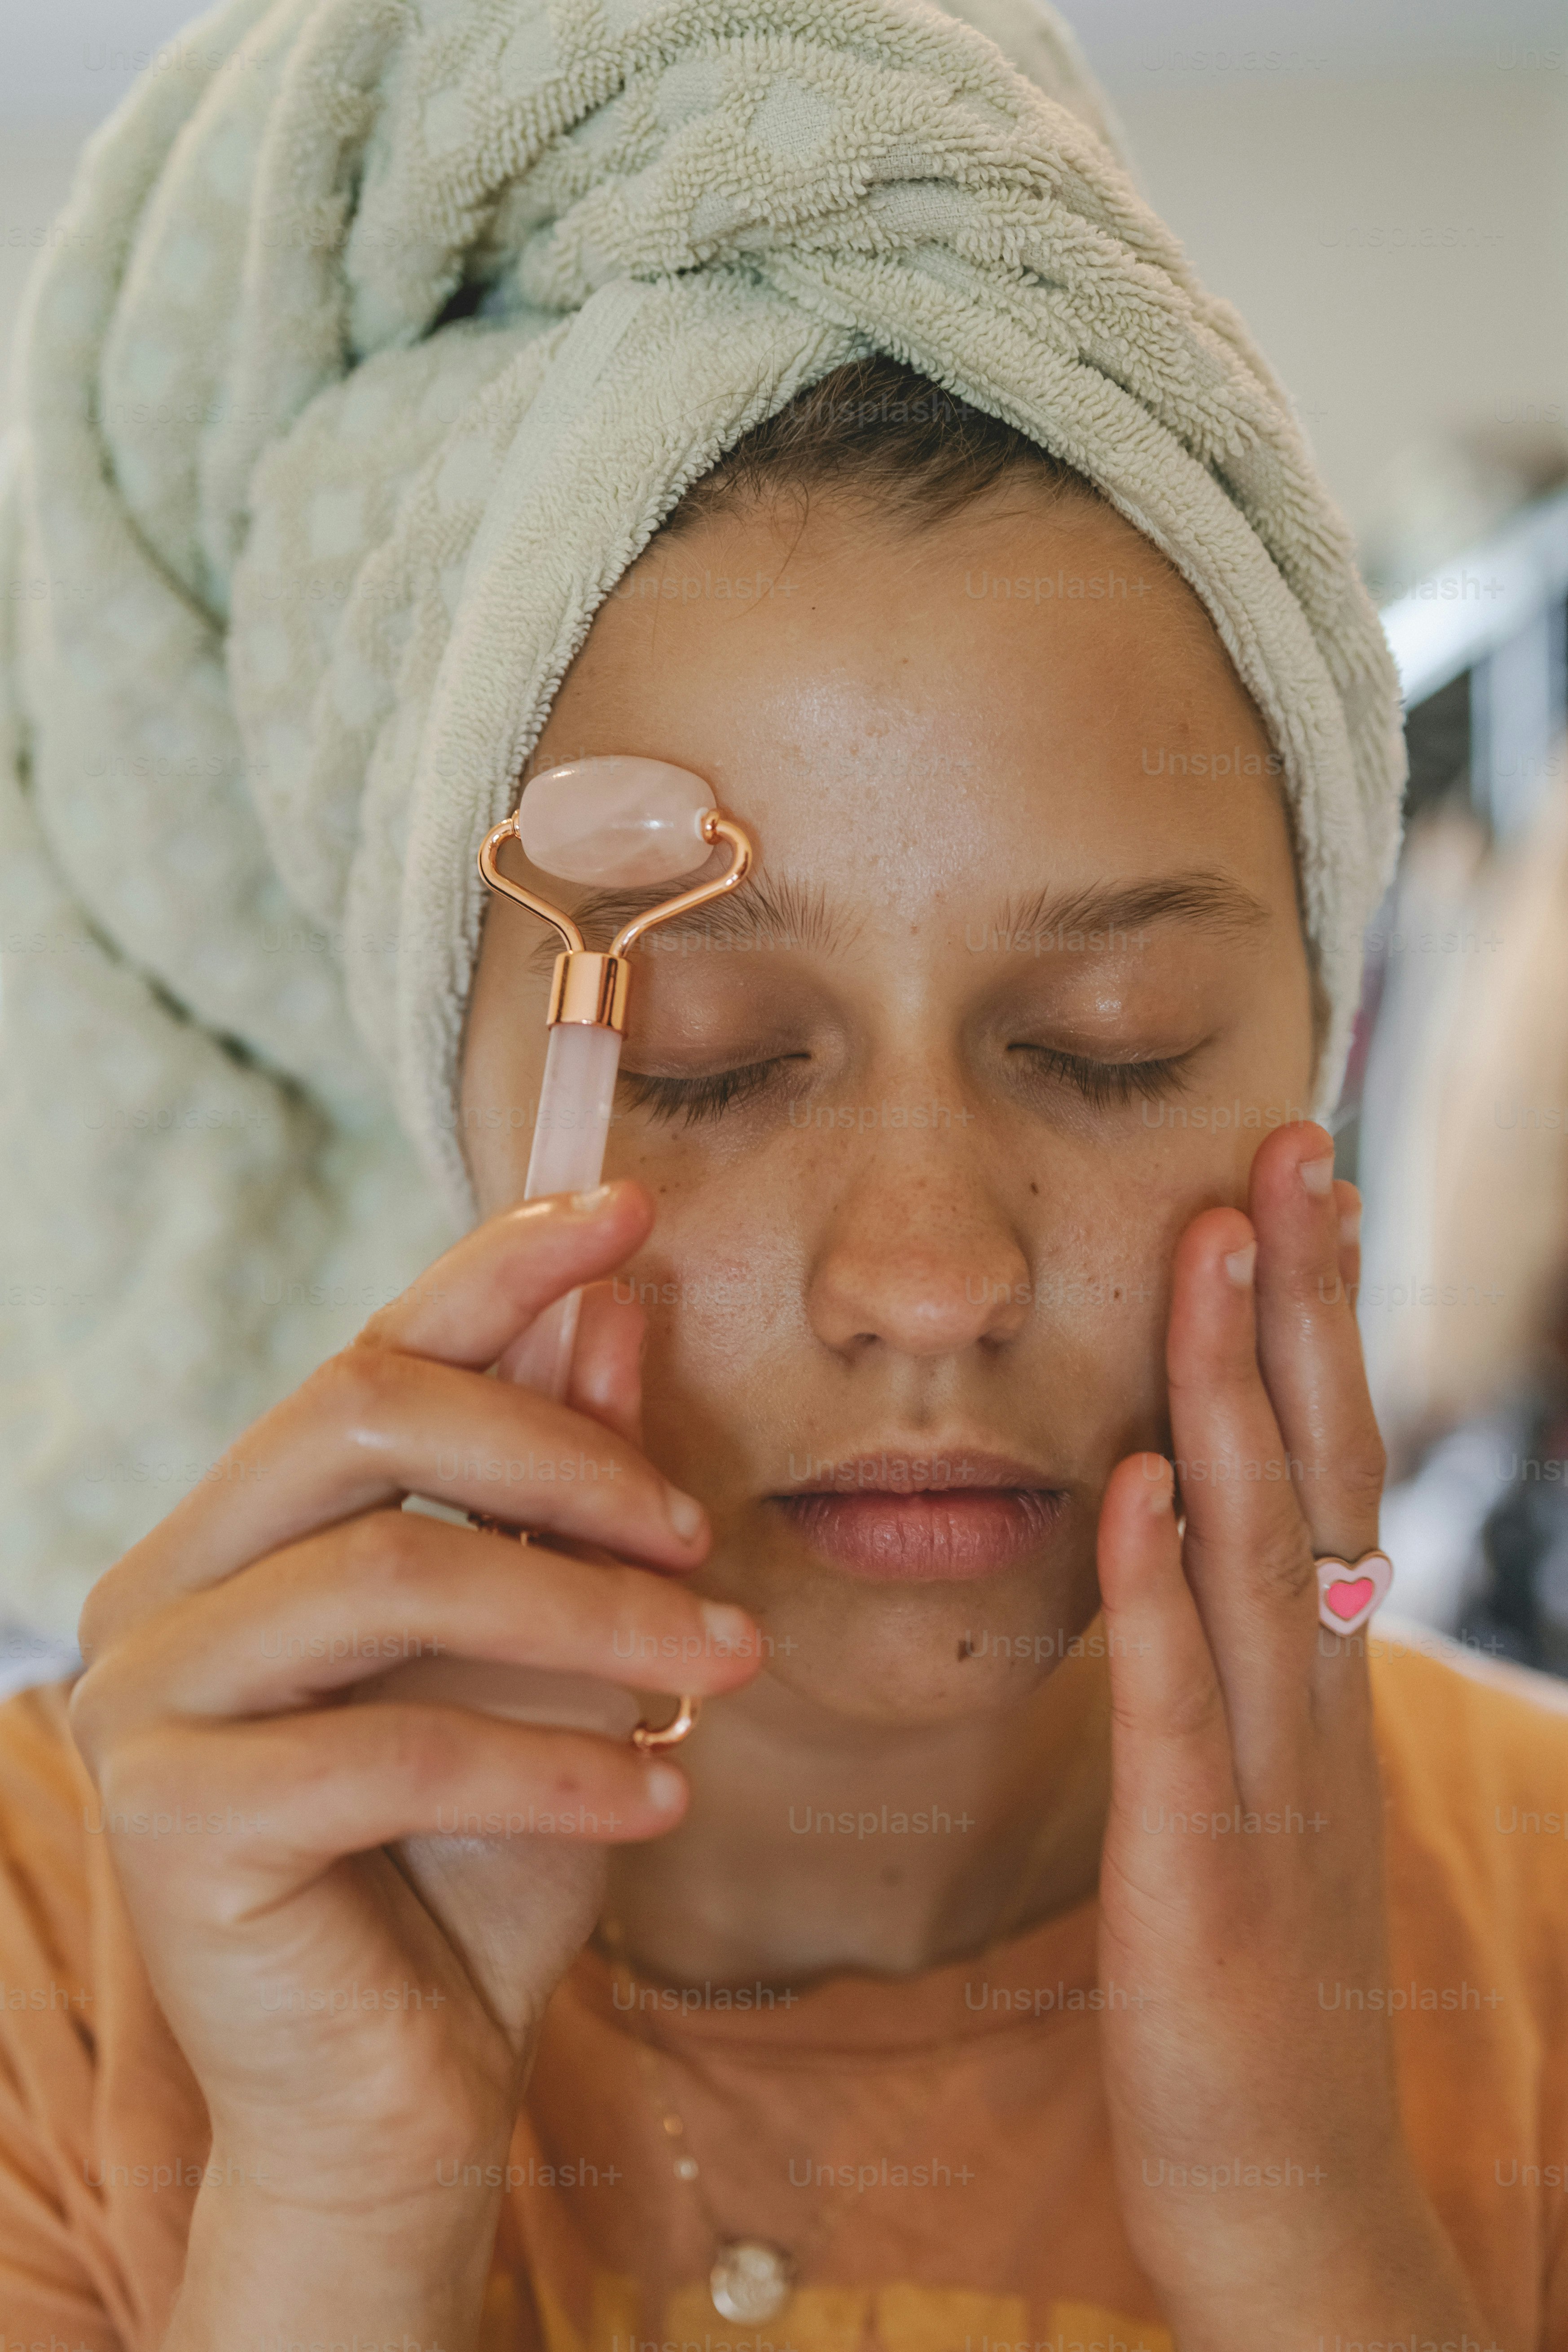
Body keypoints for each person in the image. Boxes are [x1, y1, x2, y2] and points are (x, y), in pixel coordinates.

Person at [1, 3, 1564, 2349]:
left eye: (1097, 1047)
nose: (924, 1277)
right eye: (715, 1064)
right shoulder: (71, 1948)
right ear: (449, 1093)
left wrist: (1313, 2238)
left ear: (1319, 1066)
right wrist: (336, 2225)